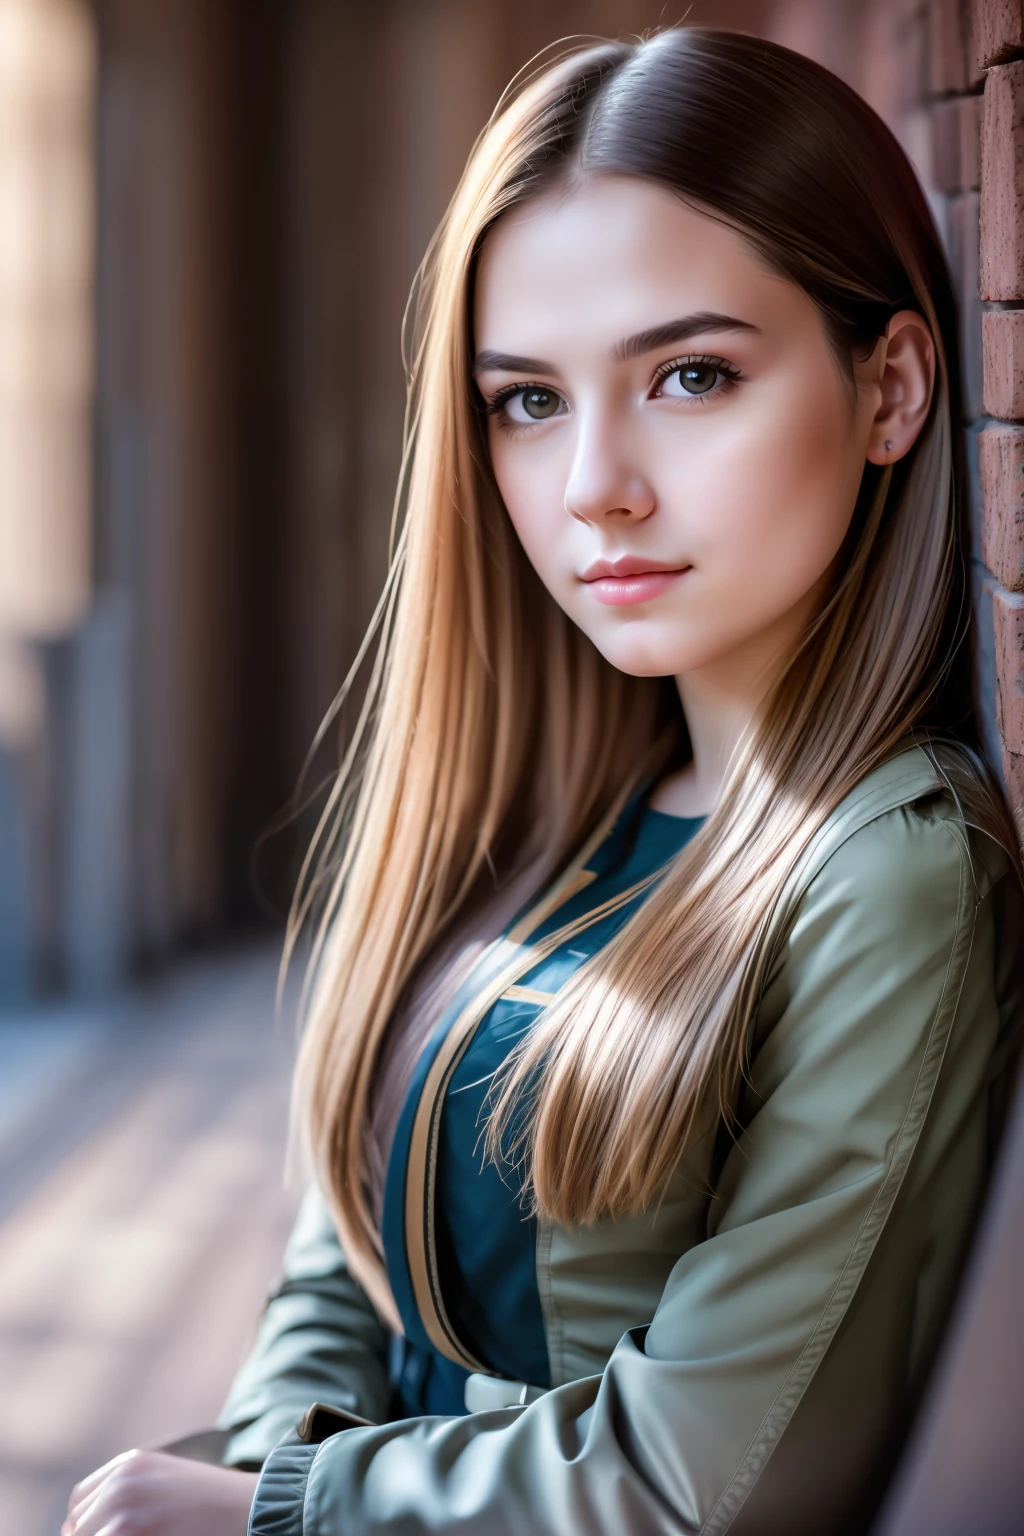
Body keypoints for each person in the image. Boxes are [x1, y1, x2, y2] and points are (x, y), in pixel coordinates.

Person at [62, 26, 1024, 1536]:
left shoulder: (891, 872)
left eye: (692, 375)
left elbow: (717, 1473)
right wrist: (261, 1470)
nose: (595, 487)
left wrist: (284, 1508)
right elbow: (346, 1252)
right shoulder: (553, 802)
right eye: (528, 400)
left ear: (893, 388)